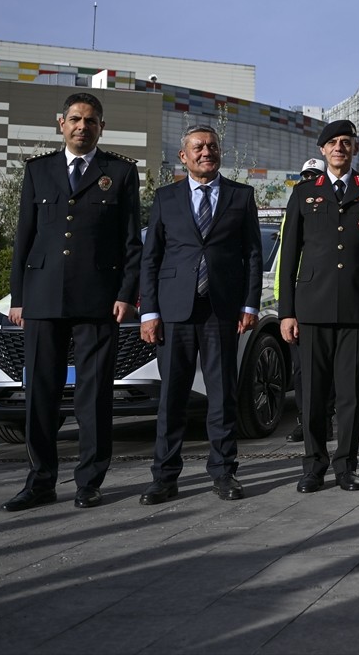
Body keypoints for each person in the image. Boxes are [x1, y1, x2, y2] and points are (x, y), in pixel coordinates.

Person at [2, 92, 142, 511]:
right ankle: (41, 480)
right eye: (76, 119)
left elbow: (131, 242)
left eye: (92, 120)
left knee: (94, 394)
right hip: (43, 297)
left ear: (102, 127)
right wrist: (19, 298)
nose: (84, 126)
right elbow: (23, 239)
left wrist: (125, 295)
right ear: (60, 122)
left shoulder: (119, 172)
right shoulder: (38, 170)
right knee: (40, 393)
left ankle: (89, 481)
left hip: (99, 299)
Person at [137, 126, 262, 504]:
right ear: (184, 157)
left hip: (222, 310)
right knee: (171, 396)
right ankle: (164, 477)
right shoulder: (166, 197)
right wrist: (150, 311)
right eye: (198, 147)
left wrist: (249, 305)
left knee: (222, 395)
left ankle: (224, 473)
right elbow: (151, 257)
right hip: (174, 311)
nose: (206, 152)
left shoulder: (242, 196)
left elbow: (253, 255)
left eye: (211, 146)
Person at [278, 120, 359, 493]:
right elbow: (289, 254)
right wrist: (287, 312)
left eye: (346, 142)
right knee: (311, 394)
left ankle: (346, 466)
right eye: (333, 143)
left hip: (358, 307)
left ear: (355, 150)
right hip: (311, 308)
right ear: (323, 150)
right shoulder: (304, 192)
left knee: (349, 395)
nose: (340, 148)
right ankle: (313, 466)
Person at [275, 157, 335, 444]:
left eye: (314, 177)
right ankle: (306, 419)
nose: (308, 181)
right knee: (302, 370)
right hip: (298, 302)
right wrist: (284, 305)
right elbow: (285, 261)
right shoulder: (296, 206)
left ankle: (326, 417)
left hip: (328, 300)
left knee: (329, 368)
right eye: (304, 177)